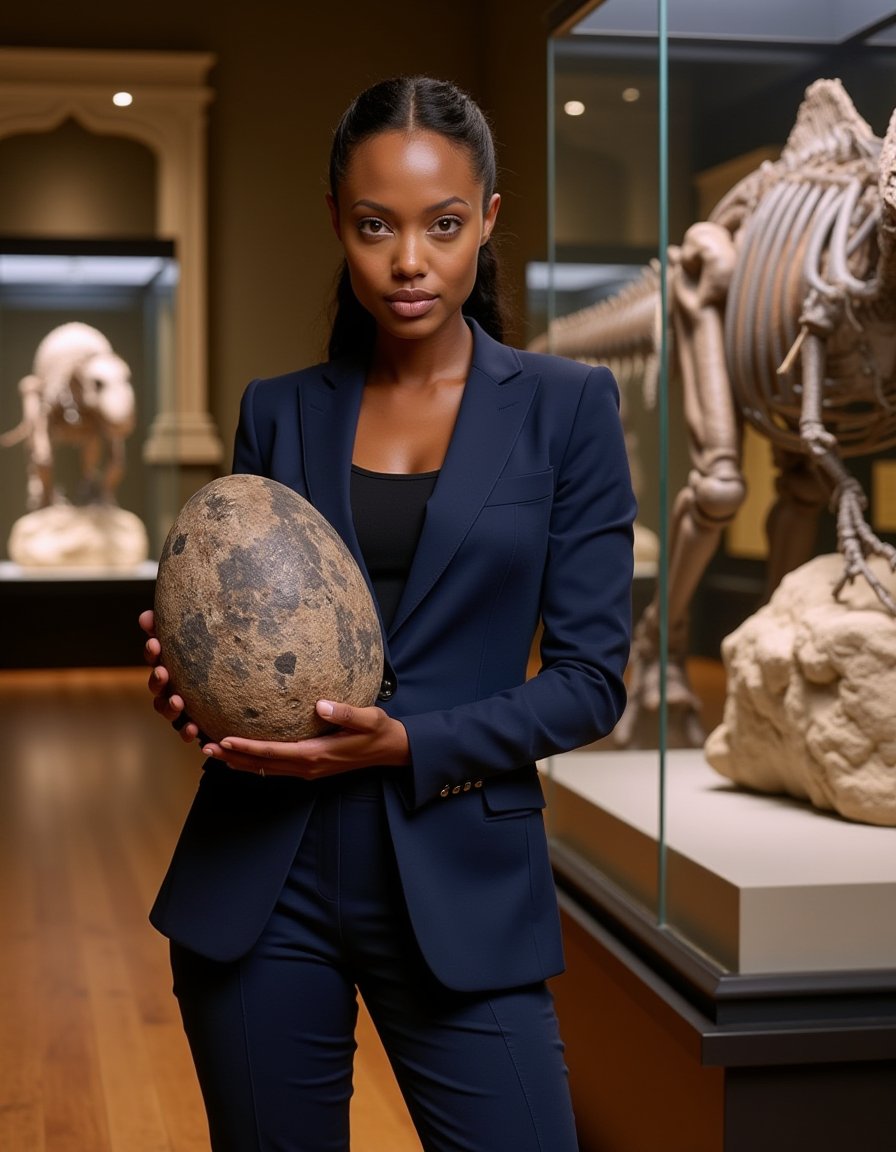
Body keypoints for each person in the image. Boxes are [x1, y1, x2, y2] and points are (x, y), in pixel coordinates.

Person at [141, 74, 636, 1152]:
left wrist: (407, 743)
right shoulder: (278, 412)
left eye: (442, 225)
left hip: (459, 878)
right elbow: (248, 636)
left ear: (487, 223)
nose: (408, 259)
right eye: (375, 226)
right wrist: (192, 686)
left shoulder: (567, 410)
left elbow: (593, 681)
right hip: (258, 880)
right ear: (337, 223)